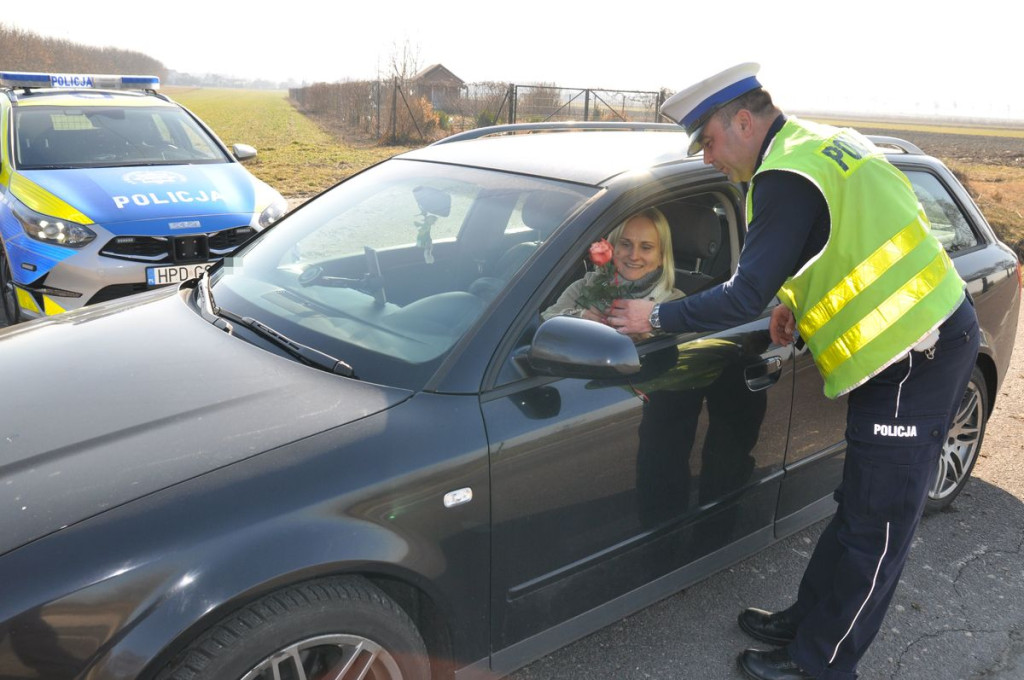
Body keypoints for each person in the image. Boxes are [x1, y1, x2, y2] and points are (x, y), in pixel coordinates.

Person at [606, 63, 980, 680]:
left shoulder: (784, 175)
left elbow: (738, 297)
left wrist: (657, 317)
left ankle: (823, 663)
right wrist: (794, 304)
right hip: (908, 349)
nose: (707, 159)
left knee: (876, 528)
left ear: (745, 120)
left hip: (919, 354)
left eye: (711, 141)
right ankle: (809, 618)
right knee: (857, 504)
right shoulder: (812, 146)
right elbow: (844, 239)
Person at [543, 207, 683, 337]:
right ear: (612, 248)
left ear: (661, 257)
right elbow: (542, 322)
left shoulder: (674, 303)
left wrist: (645, 332)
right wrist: (580, 316)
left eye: (646, 247)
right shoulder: (583, 287)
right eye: (625, 244)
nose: (634, 256)